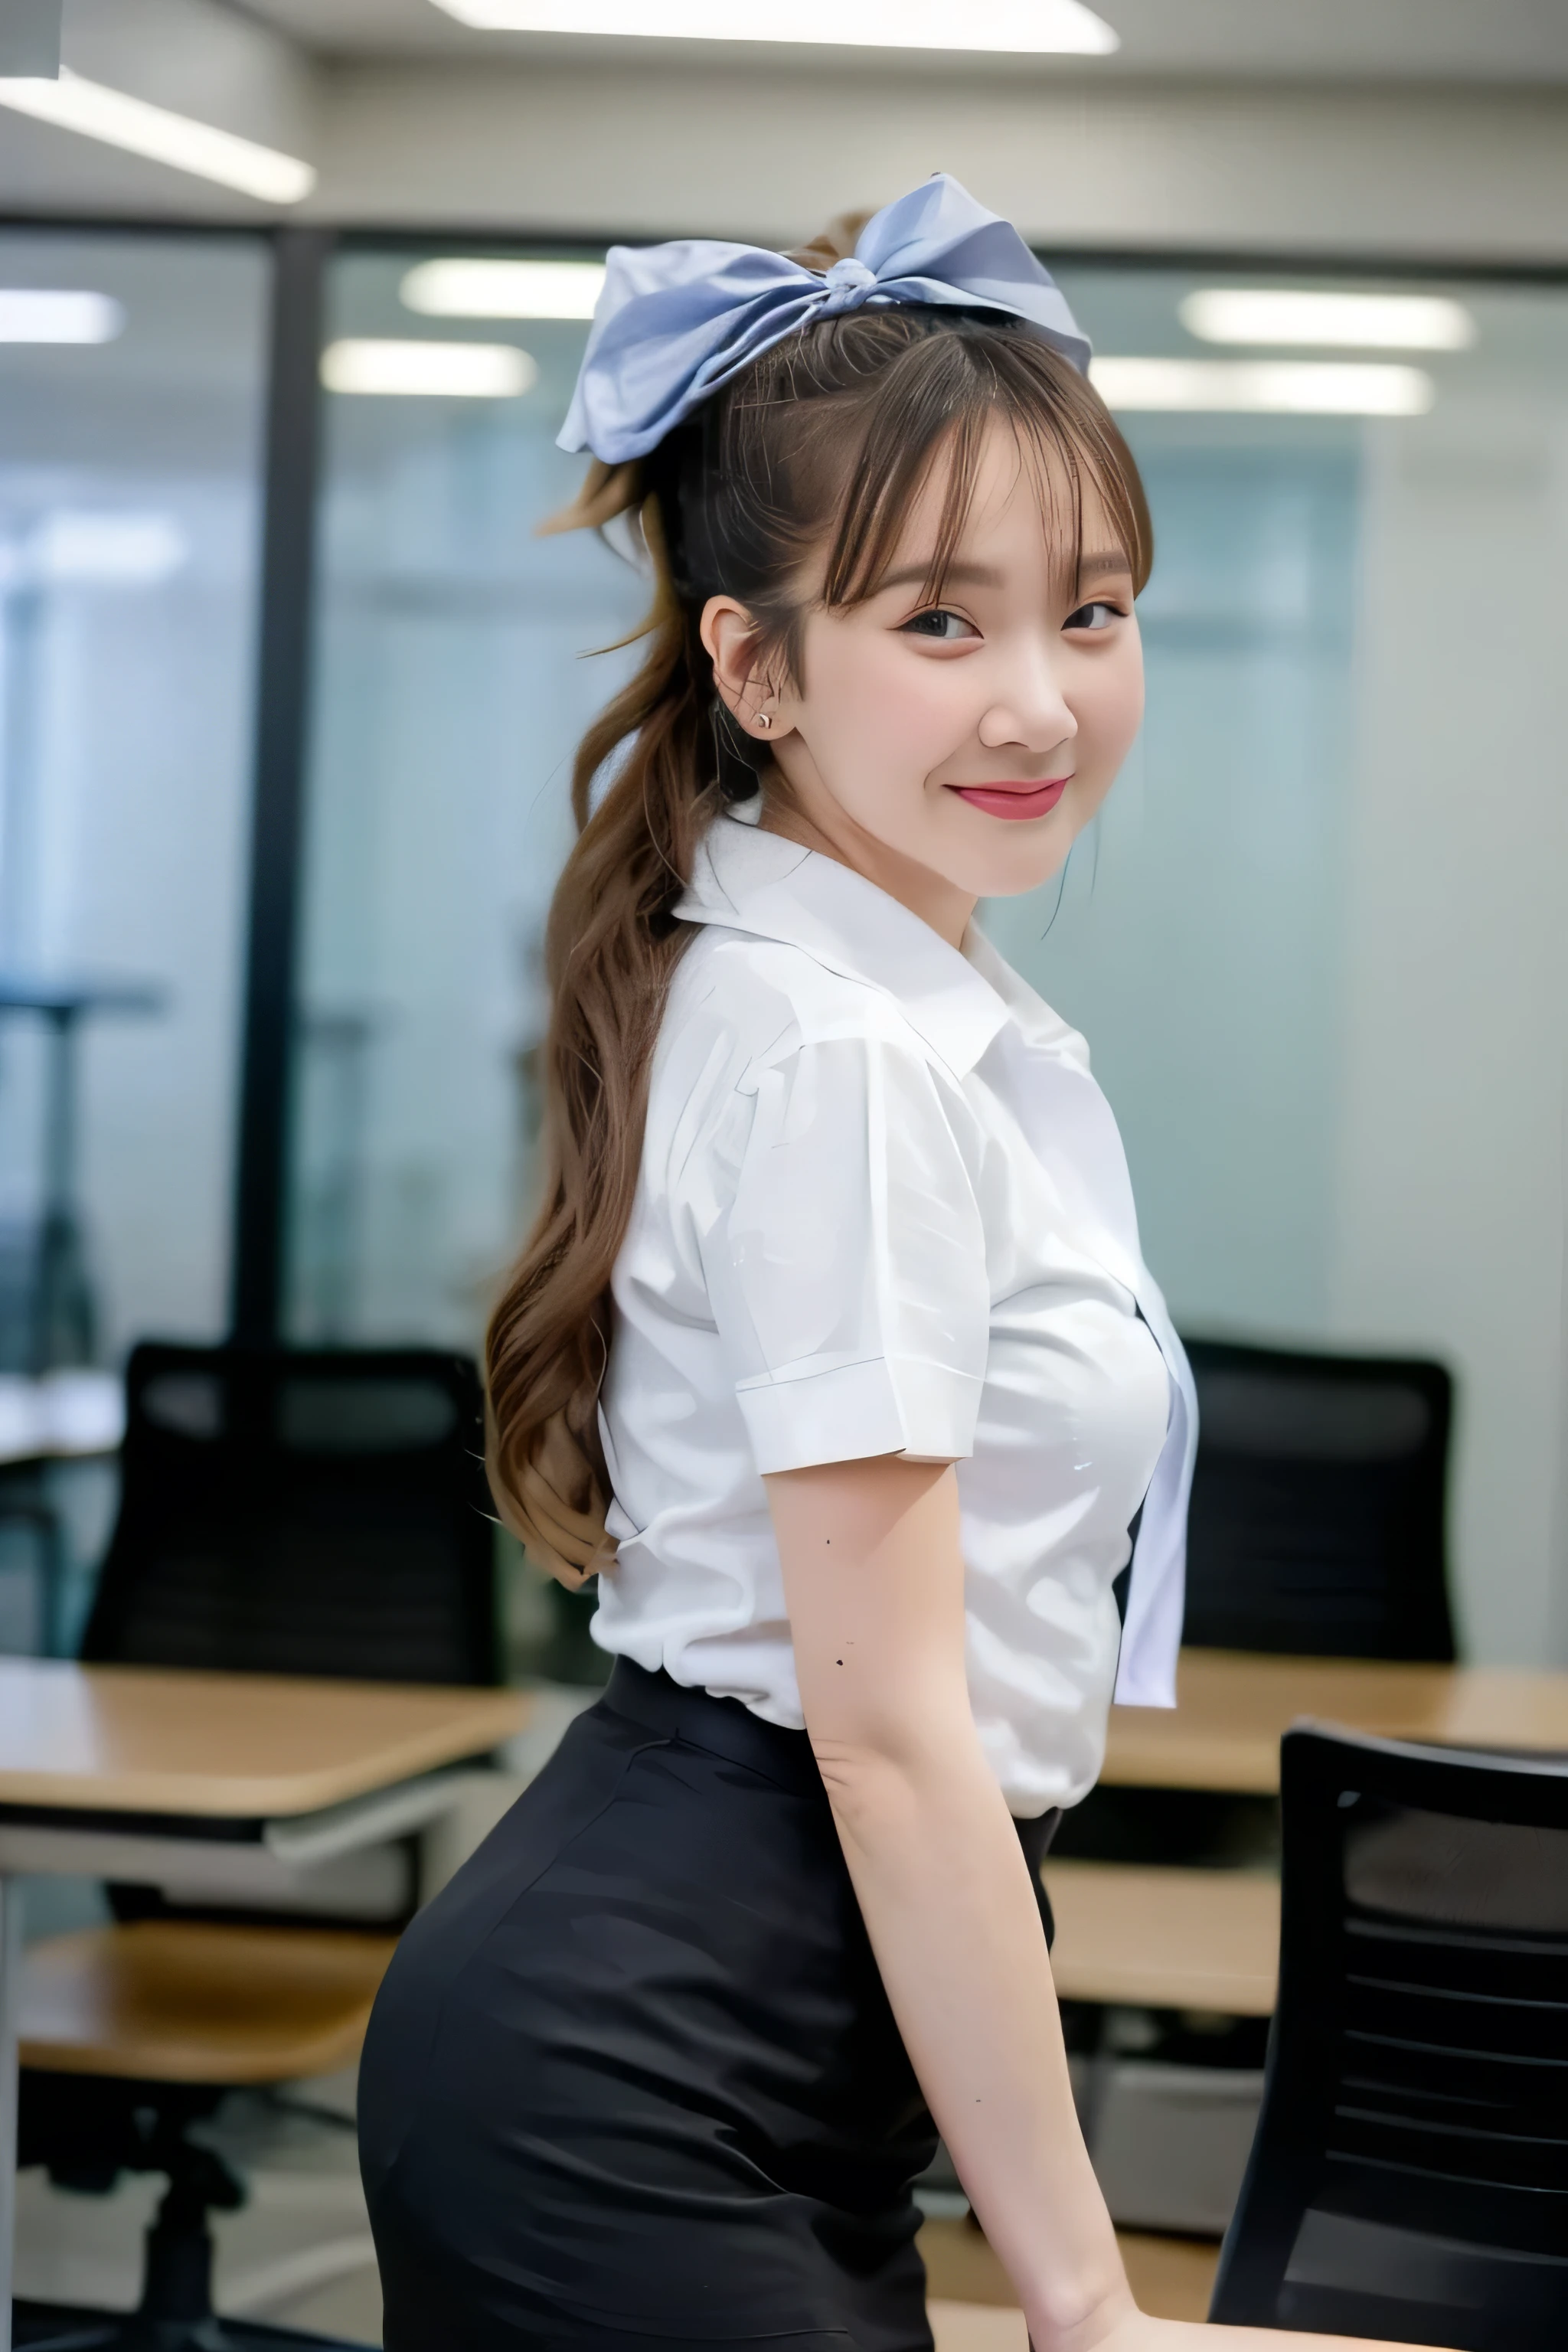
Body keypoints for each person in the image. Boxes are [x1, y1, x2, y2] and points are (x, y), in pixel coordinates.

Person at [358, 177, 1452, 2352]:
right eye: (941, 624)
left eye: (1097, 611)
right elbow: (891, 1745)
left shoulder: (885, 1008)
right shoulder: (847, 1051)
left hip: (748, 2058)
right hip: (640, 2080)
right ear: (752, 665)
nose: (1041, 703)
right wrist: (1081, 2296)